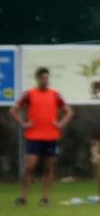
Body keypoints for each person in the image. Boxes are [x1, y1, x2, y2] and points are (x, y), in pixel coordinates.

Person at [10, 67, 74, 206]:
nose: (46, 81)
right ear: (38, 79)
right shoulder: (29, 94)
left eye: (47, 78)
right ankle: (23, 197)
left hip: (51, 136)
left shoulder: (55, 94)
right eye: (43, 78)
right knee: (30, 166)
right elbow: (14, 110)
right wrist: (23, 123)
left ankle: (45, 198)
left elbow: (68, 111)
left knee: (48, 168)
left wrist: (60, 124)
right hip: (34, 136)